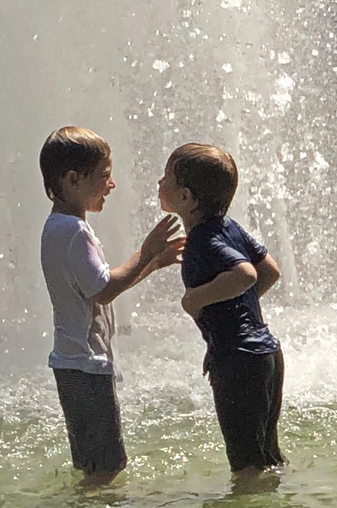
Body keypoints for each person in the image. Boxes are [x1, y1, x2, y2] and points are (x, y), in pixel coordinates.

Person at [40, 126, 184, 484]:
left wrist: (151, 265)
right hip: (86, 365)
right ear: (73, 180)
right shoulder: (74, 231)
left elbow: (96, 286)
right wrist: (146, 251)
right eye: (104, 175)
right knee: (106, 466)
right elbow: (103, 289)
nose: (112, 184)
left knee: (94, 462)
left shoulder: (57, 227)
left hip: (73, 362)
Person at [158, 143, 286, 477]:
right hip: (267, 354)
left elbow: (246, 274)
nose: (159, 183)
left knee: (246, 465)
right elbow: (270, 270)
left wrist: (195, 300)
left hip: (239, 360)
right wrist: (232, 313)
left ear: (186, 197)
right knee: (267, 455)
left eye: (166, 178)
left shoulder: (202, 239)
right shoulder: (230, 226)